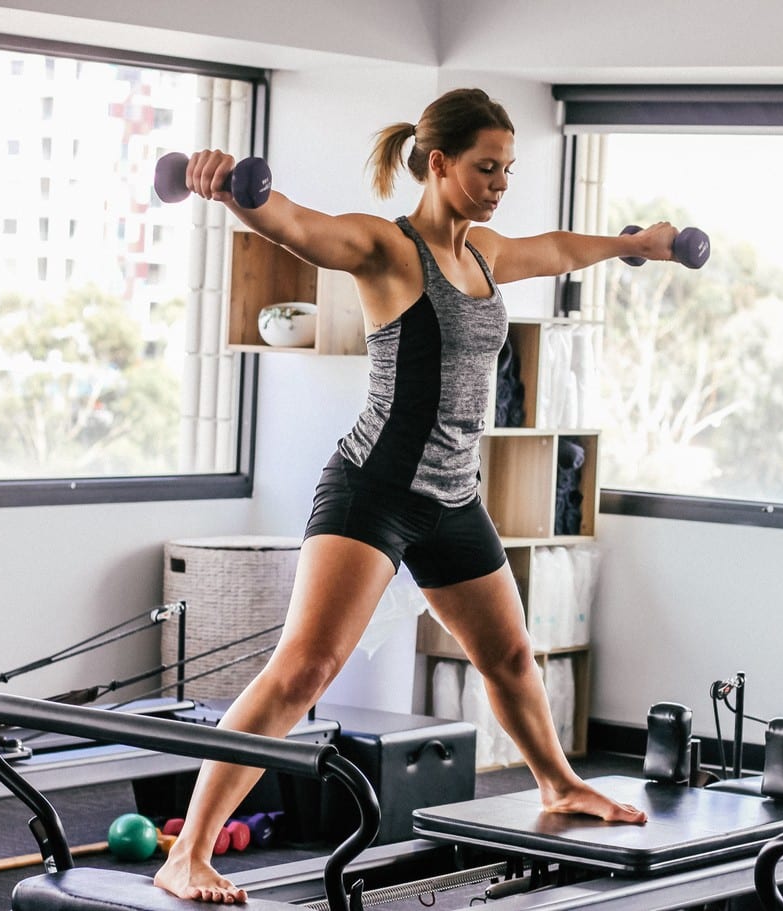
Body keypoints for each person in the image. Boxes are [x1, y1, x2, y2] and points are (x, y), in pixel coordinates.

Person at [155, 87, 686, 904]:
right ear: (438, 164)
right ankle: (188, 850)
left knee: (509, 655)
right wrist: (230, 188)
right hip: (375, 489)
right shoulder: (387, 249)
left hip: (453, 496)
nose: (500, 182)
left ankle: (559, 782)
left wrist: (632, 244)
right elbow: (299, 225)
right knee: (304, 670)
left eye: (508, 168)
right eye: (485, 168)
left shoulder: (486, 254)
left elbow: (556, 248)